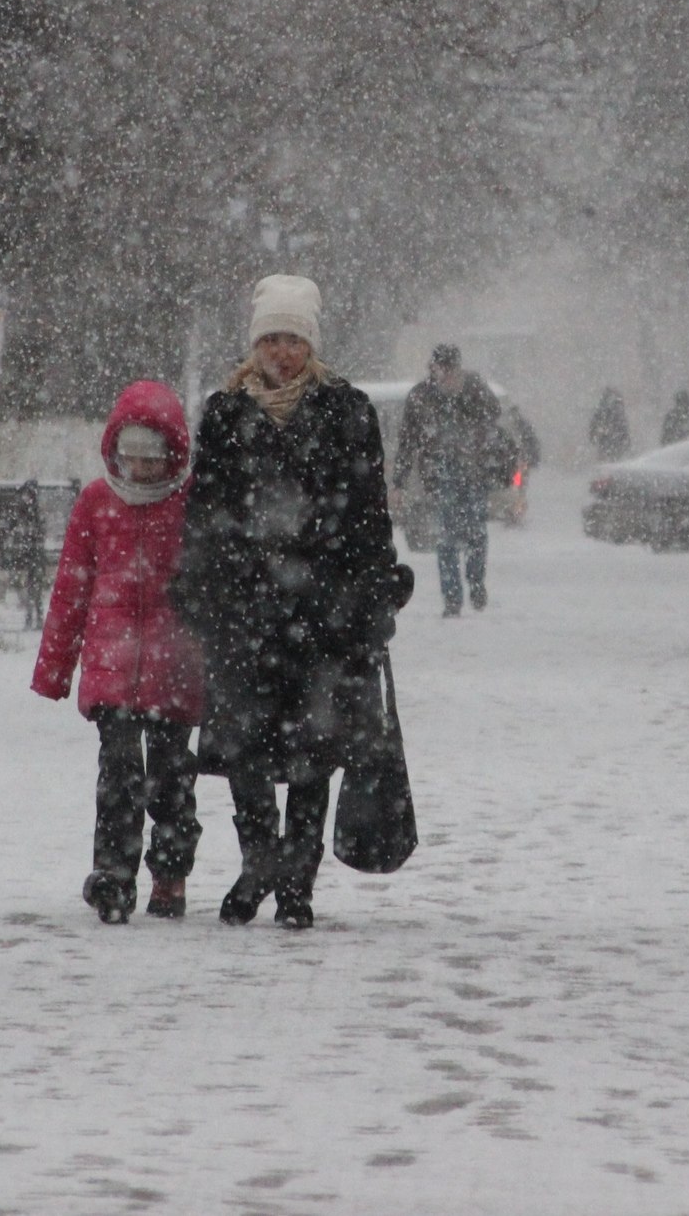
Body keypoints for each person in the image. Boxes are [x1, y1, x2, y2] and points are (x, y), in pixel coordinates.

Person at [172, 274, 410, 929]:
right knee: (246, 751)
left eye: (294, 340)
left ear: (312, 344)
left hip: (323, 614)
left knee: (313, 754)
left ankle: (297, 882)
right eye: (272, 339)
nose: (283, 352)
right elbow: (206, 510)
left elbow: (367, 514)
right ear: (255, 344)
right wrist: (199, 582)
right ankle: (259, 865)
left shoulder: (347, 411)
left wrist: (374, 587)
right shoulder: (224, 413)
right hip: (244, 614)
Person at [29, 381, 206, 924]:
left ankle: (170, 873)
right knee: (119, 776)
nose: (140, 469)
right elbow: (71, 588)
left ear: (173, 454)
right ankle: (113, 875)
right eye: (129, 456)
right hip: (112, 672)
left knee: (173, 781)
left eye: (152, 459)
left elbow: (215, 586)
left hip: (177, 669)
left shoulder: (193, 502)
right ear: (113, 450)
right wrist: (55, 669)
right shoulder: (96, 503)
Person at [396, 343, 509, 617]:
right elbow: (408, 441)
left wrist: (465, 396)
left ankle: (476, 583)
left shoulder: (473, 387)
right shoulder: (421, 396)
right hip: (440, 474)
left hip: (474, 472)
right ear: (432, 368)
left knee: (476, 532)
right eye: (439, 369)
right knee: (446, 537)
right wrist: (399, 481)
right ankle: (452, 598)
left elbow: (493, 414)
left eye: (450, 370)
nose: (444, 375)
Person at [588, 386, 631, 463]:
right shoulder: (616, 410)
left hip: (609, 444)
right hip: (613, 445)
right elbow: (624, 430)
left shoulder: (603, 410)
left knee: (607, 464)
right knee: (612, 463)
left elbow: (594, 427)